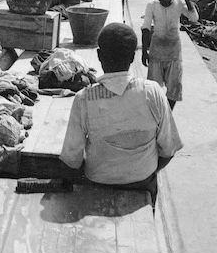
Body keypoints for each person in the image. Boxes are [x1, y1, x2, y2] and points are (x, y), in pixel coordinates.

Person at [59, 23, 183, 205]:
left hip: (98, 184)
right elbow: (169, 149)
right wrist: (141, 173)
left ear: (100, 56)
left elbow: (71, 160)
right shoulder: (152, 92)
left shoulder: (84, 99)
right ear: (132, 57)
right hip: (143, 184)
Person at [142, 0, 199, 110]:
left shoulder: (179, 3)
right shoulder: (152, 5)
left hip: (174, 51)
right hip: (157, 50)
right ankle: (156, 114)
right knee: (153, 88)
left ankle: (168, 114)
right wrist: (145, 51)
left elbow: (194, 18)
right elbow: (145, 28)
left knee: (174, 87)